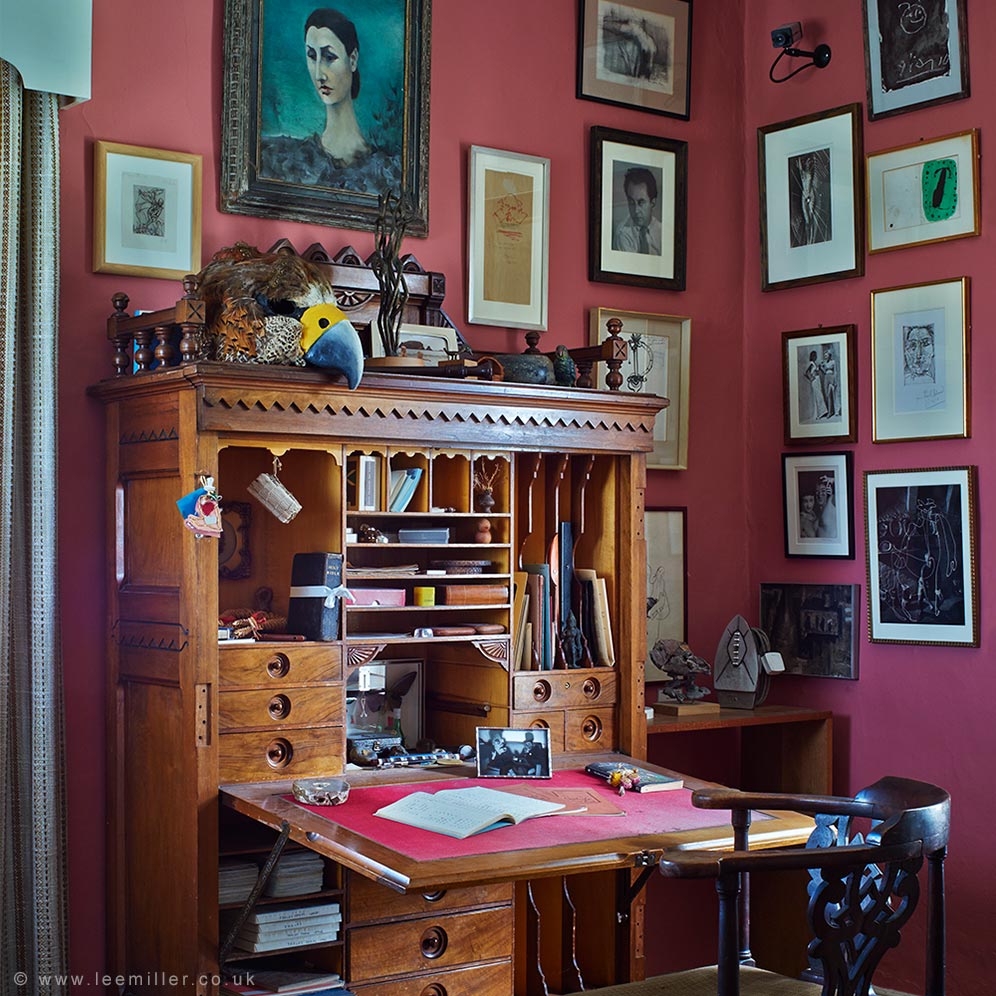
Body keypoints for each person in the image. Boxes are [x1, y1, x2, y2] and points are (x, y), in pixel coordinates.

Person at [260, 8, 401, 193]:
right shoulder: (287, 158)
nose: (319, 74)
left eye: (329, 57)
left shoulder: (387, 170)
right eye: (312, 56)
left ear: (352, 59)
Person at [612, 167, 661, 255]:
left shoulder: (662, 232)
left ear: (652, 203)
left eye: (641, 202)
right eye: (631, 202)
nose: (636, 210)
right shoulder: (623, 234)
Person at [803, 350, 827, 420]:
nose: (816, 357)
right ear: (812, 356)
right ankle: (818, 414)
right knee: (817, 396)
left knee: (820, 395)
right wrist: (811, 378)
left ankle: (822, 412)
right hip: (815, 381)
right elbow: (806, 373)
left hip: (817, 380)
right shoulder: (811, 363)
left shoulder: (815, 363)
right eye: (815, 355)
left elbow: (819, 371)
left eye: (816, 355)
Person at [821, 346, 839, 418]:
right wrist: (822, 367)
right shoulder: (824, 363)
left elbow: (835, 372)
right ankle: (829, 411)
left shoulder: (833, 362)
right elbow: (824, 371)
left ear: (829, 355)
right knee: (827, 395)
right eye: (824, 355)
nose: (825, 356)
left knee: (833, 394)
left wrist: (835, 380)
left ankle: (836, 410)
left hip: (831, 377)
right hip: (826, 377)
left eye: (826, 355)